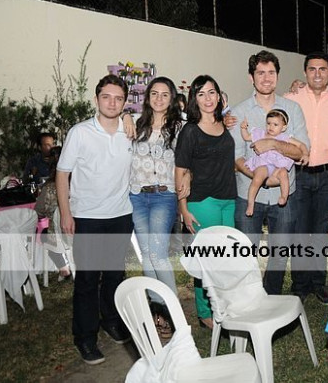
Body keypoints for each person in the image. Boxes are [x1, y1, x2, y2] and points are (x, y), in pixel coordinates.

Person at [56, 74, 134, 365]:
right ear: (96, 99)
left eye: (118, 98)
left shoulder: (130, 130)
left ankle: (111, 320)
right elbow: (62, 173)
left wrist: (129, 117)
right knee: (88, 280)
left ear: (124, 103)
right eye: (106, 97)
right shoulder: (80, 132)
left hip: (121, 215)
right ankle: (85, 338)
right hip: (87, 217)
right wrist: (66, 213)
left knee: (115, 275)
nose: (112, 103)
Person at [229, 50, 310, 295]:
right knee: (246, 253)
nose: (266, 78)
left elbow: (301, 152)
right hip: (248, 192)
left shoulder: (292, 109)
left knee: (280, 254)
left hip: (284, 196)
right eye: (260, 73)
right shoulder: (239, 113)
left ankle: (271, 297)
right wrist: (261, 179)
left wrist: (273, 144)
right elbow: (236, 158)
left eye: (271, 72)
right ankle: (249, 299)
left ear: (277, 76)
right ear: (251, 77)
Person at [175, 74, 237, 329]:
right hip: (203, 202)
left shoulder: (225, 124)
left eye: (211, 92)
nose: (208, 98)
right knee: (207, 260)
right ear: (195, 99)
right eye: (201, 94)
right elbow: (180, 170)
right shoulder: (190, 131)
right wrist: (183, 209)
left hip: (228, 199)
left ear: (219, 96)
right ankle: (204, 312)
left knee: (226, 258)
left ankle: (222, 304)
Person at [284, 51, 328, 305]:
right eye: (312, 69)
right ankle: (300, 284)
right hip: (299, 174)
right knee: (300, 230)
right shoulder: (290, 99)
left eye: (322, 69)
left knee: (320, 231)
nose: (317, 74)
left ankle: (318, 283)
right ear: (305, 72)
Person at [129, 76, 184, 339]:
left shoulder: (180, 127)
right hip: (137, 196)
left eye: (164, 94)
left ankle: (174, 313)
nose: (159, 98)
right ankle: (157, 312)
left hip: (164, 196)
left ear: (171, 98)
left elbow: (187, 161)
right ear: (147, 97)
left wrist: (187, 178)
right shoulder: (135, 124)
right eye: (154, 93)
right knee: (147, 256)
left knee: (158, 255)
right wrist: (125, 116)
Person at [240, 109, 308, 216]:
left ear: (283, 127)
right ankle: (251, 203)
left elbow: (301, 145)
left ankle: (284, 197)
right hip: (263, 164)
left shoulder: (284, 138)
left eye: (275, 124)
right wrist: (243, 128)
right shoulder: (260, 134)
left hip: (277, 167)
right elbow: (246, 137)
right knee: (257, 178)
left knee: (283, 174)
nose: (270, 127)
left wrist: (305, 154)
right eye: (268, 123)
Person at [34, 145, 71, 280]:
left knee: (44, 235)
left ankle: (63, 267)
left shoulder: (49, 187)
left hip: (60, 232)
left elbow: (39, 212)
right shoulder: (80, 183)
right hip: (82, 229)